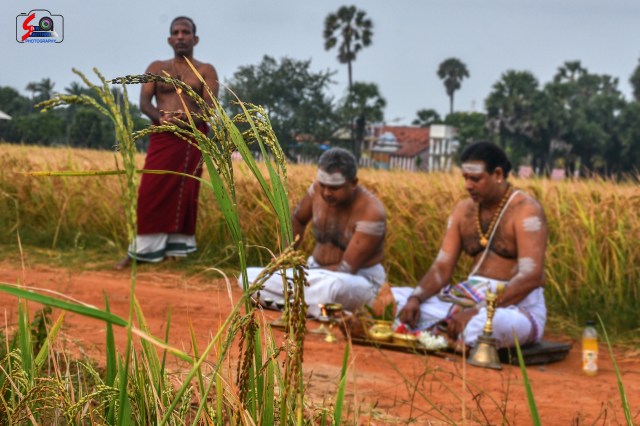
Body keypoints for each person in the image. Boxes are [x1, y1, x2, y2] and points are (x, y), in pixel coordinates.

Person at [395, 141, 547, 349]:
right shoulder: (463, 210)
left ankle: (440, 333)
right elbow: (442, 268)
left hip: (514, 307)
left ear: (498, 174)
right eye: (465, 178)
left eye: (475, 179)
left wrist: (476, 311)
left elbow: (532, 277)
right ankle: (446, 333)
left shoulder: (525, 210)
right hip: (466, 299)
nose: (468, 185)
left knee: (487, 324)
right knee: (395, 300)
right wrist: (415, 299)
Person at [116, 16, 219, 269]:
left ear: (195, 39)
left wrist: (189, 119)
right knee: (151, 190)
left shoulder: (205, 70)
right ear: (170, 39)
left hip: (192, 137)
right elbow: (144, 103)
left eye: (186, 32)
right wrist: (160, 119)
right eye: (176, 32)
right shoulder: (156, 66)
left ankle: (175, 252)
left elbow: (210, 106)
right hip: (163, 136)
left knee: (186, 192)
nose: (181, 36)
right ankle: (140, 250)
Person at [243, 147, 387, 318]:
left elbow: (345, 269)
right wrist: (284, 258)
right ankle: (312, 307)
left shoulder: (372, 212)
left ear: (353, 183)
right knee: (248, 278)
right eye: (323, 185)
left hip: (356, 280)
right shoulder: (315, 191)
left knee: (332, 288)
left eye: (335, 188)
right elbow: (298, 220)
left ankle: (291, 303)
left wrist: (304, 275)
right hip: (313, 273)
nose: (326, 192)